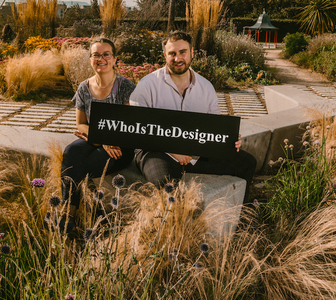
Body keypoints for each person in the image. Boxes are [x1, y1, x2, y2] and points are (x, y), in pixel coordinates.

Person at [130, 31, 256, 201]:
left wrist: (227, 140)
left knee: (247, 162)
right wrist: (173, 151)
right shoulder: (147, 85)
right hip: (156, 150)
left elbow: (214, 126)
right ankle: (174, 225)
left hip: (195, 151)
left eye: (183, 52)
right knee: (165, 183)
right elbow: (137, 130)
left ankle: (242, 214)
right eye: (172, 54)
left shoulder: (206, 87)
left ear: (191, 53)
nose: (178, 58)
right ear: (164, 55)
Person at [58, 38, 136, 227]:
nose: (101, 59)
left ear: (115, 58)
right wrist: (101, 139)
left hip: (120, 146)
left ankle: (73, 216)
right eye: (96, 55)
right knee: (71, 152)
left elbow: (131, 127)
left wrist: (104, 139)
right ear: (90, 59)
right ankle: (69, 214)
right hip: (95, 139)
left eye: (106, 54)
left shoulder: (126, 87)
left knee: (78, 165)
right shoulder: (84, 87)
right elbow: (81, 124)